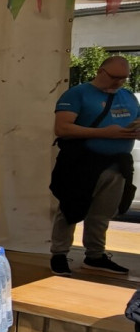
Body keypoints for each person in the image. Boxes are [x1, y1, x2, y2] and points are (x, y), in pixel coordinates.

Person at [49, 55, 138, 276]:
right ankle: (59, 254)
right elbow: (62, 128)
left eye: (124, 78)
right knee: (70, 209)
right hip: (81, 163)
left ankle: (95, 256)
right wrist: (104, 133)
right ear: (100, 71)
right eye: (114, 77)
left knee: (103, 213)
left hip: (117, 164)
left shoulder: (128, 97)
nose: (118, 82)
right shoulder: (77, 94)